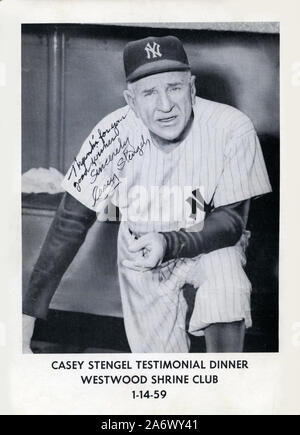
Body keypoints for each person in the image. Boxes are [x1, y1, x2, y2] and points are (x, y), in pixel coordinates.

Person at [23, 35, 272, 353]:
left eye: (174, 87)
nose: (165, 105)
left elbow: (230, 222)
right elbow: (71, 220)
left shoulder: (232, 128)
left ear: (191, 88)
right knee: (159, 370)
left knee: (226, 281)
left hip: (210, 242)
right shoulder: (112, 134)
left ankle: (224, 383)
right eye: (150, 92)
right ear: (131, 100)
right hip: (142, 248)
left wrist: (169, 242)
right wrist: (27, 313)